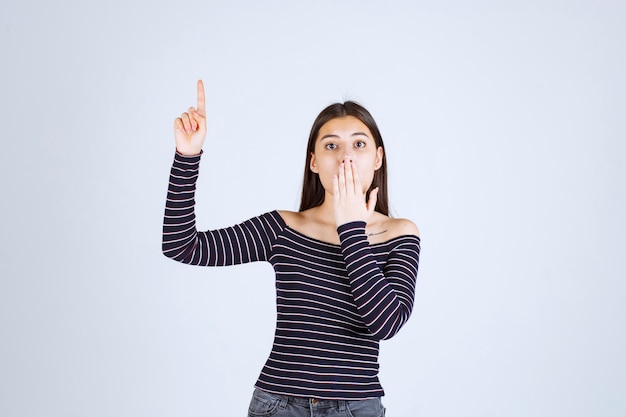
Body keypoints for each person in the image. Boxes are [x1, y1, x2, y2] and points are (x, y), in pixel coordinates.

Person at [162, 80, 421, 417]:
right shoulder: (284, 228)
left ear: (377, 159)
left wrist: (351, 230)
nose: (345, 157)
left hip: (356, 407)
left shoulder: (399, 234)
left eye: (359, 144)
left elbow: (386, 323)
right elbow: (182, 245)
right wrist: (187, 155)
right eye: (331, 146)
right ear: (313, 162)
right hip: (279, 404)